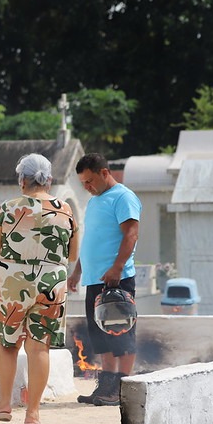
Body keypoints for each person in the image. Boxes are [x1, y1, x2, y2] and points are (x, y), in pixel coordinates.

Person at [0, 153, 78, 424]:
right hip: (52, 282)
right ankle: (33, 414)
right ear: (49, 180)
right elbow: (72, 254)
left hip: (13, 282)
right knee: (39, 347)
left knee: (8, 345)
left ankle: (3, 406)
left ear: (22, 180)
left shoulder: (8, 207)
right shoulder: (66, 209)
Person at [67, 153, 141, 406]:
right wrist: (77, 271)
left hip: (116, 279)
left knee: (121, 335)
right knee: (100, 336)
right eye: (82, 183)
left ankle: (121, 389)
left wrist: (117, 268)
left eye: (89, 181)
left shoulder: (123, 197)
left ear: (104, 173)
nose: (86, 187)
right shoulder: (95, 201)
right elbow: (91, 240)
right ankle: (106, 387)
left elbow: (131, 234)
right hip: (94, 279)